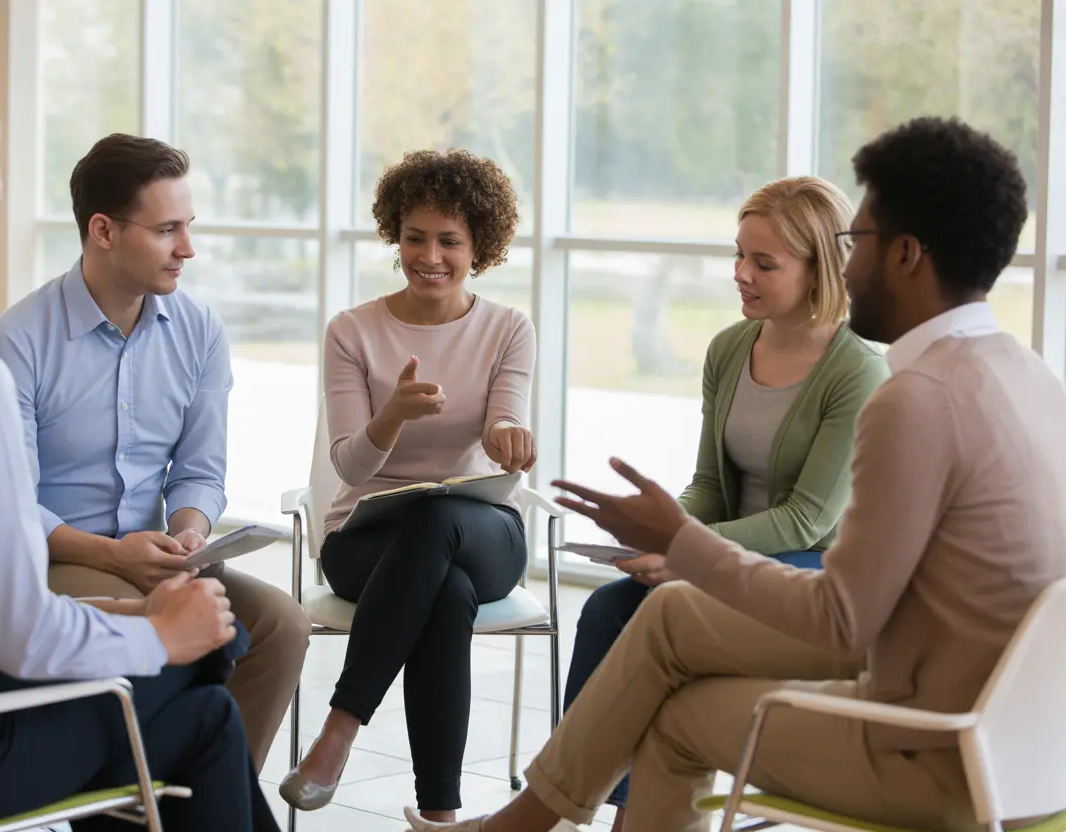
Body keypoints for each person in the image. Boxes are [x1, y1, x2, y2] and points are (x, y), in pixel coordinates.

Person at [405, 117, 1066, 832]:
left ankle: (522, 826)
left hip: (936, 748)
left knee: (677, 717)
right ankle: (527, 823)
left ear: (906, 255)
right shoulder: (1028, 374)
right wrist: (676, 540)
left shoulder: (912, 397)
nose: (848, 268)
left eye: (855, 244)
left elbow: (840, 619)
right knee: (668, 616)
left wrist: (682, 544)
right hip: (1022, 741)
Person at [0, 91, 278, 831]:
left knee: (204, 712)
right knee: (206, 674)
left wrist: (129, 617)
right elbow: (20, 636)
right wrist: (161, 634)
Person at [563, 176, 888, 831]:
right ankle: (598, 806)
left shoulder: (857, 369)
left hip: (814, 568)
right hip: (729, 551)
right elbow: (710, 486)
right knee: (604, 611)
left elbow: (808, 520)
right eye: (738, 255)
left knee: (667, 606)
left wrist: (687, 551)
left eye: (763, 263)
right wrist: (657, 532)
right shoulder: (729, 348)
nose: (740, 274)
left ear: (820, 268)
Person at [0, 133, 310, 772]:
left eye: (187, 226)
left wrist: (190, 533)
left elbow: (199, 471)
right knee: (184, 632)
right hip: (59, 560)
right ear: (102, 231)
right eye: (166, 230)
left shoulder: (199, 331)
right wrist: (112, 554)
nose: (187, 248)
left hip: (159, 558)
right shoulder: (15, 344)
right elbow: (11, 509)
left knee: (281, 625)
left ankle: (207, 796)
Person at [278, 149, 535, 823]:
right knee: (440, 589)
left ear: (480, 245)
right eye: (415, 236)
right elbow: (352, 469)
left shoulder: (508, 328)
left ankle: (338, 731)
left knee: (437, 519)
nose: (430, 255)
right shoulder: (353, 332)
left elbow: (508, 413)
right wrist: (393, 412)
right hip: (363, 538)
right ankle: (441, 816)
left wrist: (509, 433)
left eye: (449, 241)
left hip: (482, 532)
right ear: (395, 234)